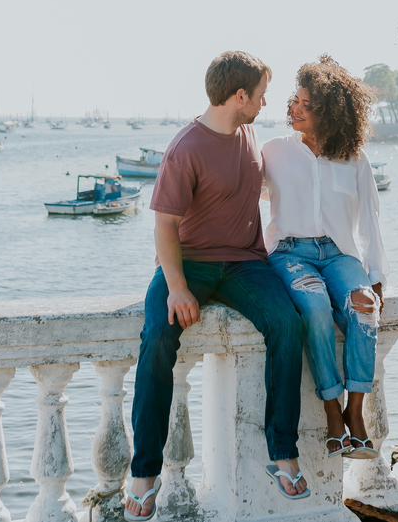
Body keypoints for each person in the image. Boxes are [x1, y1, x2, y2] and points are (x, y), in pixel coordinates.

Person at [124, 51, 309, 521]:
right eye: (262, 94)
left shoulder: (248, 133)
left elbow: (268, 185)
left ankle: (282, 452)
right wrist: (178, 288)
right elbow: (165, 225)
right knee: (158, 339)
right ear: (239, 95)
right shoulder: (185, 147)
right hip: (190, 264)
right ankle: (144, 474)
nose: (266, 102)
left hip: (246, 263)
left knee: (287, 324)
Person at [261, 55, 389, 461]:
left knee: (365, 309)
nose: (294, 108)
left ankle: (356, 412)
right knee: (314, 307)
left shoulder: (354, 159)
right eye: (294, 100)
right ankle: (332, 411)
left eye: (306, 104)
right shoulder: (274, 151)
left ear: (330, 112)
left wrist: (376, 276)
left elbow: (370, 219)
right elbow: (237, 188)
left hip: (339, 254)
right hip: (290, 254)